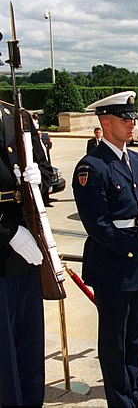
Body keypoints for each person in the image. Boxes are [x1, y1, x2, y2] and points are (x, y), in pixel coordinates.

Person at [72, 91, 138, 408]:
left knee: (135, 337)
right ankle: (121, 401)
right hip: (112, 265)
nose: (131, 124)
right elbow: (99, 227)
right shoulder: (91, 167)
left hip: (137, 266)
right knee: (114, 341)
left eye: (132, 118)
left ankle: (136, 395)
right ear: (105, 121)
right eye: (124, 118)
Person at [0, 101, 51, 407]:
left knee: (29, 348)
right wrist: (7, 231)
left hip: (28, 246)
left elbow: (45, 170)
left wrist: (37, 180)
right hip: (6, 246)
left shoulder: (16, 116)